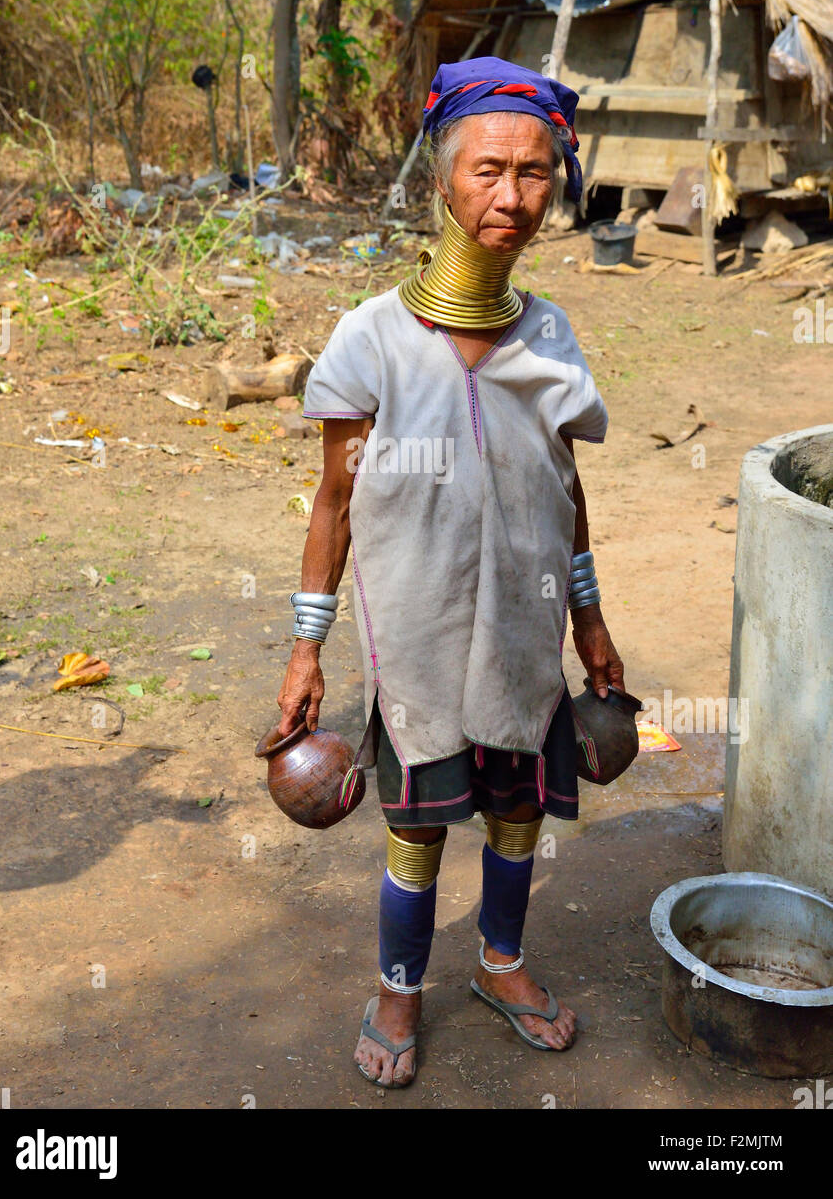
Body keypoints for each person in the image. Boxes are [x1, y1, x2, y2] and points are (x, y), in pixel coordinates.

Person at [275, 56, 625, 1088]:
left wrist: (592, 623)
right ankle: (399, 986)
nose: (511, 195)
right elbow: (334, 502)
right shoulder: (370, 341)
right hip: (417, 642)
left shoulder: (549, 333)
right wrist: (305, 648)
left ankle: (503, 965)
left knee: (519, 811)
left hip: (523, 634)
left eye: (533, 172)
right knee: (417, 827)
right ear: (441, 177)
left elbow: (567, 487)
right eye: (486, 170)